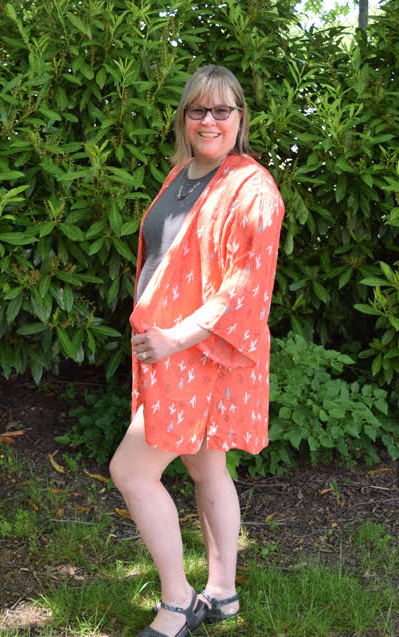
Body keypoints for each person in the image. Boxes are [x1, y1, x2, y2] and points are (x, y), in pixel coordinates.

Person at [109, 64, 285, 637]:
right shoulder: (182, 174)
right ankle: (224, 595)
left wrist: (173, 338)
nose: (209, 120)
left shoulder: (252, 188)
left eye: (222, 110)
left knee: (131, 471)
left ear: (241, 119)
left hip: (200, 355)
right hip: (167, 350)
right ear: (184, 119)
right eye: (198, 110)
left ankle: (177, 601)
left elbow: (245, 289)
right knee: (208, 467)